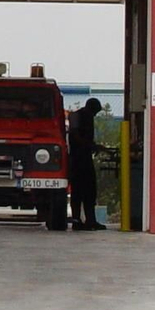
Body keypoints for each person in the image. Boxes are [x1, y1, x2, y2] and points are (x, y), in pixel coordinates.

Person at [69, 98, 104, 230]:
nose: (95, 115)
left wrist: (93, 146)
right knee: (81, 191)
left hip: (82, 158)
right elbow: (75, 136)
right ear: (91, 108)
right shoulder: (77, 116)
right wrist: (90, 145)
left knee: (87, 191)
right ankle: (78, 221)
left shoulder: (81, 116)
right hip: (78, 159)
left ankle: (89, 220)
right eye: (95, 112)